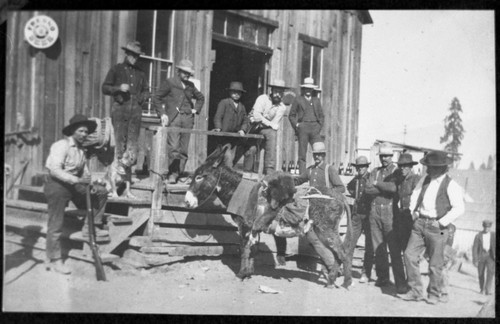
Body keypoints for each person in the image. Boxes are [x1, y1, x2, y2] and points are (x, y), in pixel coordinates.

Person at [44, 114, 109, 275]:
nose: (84, 134)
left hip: (74, 185)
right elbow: (55, 170)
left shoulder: (81, 150)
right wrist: (77, 180)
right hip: (57, 185)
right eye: (81, 131)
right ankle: (55, 260)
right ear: (73, 131)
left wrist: (91, 183)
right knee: (56, 224)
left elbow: (85, 172)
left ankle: (91, 226)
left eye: (86, 132)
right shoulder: (61, 145)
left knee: (100, 193)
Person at [400, 151, 465, 304]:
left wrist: (442, 222)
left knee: (435, 263)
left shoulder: (451, 185)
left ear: (442, 168)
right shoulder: (424, 180)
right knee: (409, 255)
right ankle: (415, 291)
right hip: (420, 223)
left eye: (433, 167)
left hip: (439, 227)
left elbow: (459, 208)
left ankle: (434, 294)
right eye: (428, 166)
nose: (429, 169)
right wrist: (413, 213)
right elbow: (415, 196)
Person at [364, 143, 407, 294]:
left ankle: (401, 283)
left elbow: (393, 188)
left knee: (394, 250)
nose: (384, 159)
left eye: (387, 156)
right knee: (379, 248)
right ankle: (383, 278)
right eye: (382, 156)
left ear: (392, 156)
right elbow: (367, 189)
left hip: (390, 212)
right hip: (374, 211)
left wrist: (377, 184)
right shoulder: (375, 171)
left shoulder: (396, 171)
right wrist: (382, 186)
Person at [153, 59, 205, 184]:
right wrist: (162, 114)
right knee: (174, 147)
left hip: (187, 119)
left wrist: (195, 110)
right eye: (184, 72)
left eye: (189, 73)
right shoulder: (170, 83)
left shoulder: (191, 86)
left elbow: (201, 98)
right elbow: (157, 97)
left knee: (183, 149)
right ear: (178, 71)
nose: (187, 75)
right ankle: (172, 173)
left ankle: (179, 173)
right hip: (174, 118)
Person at [102, 40, 150, 168]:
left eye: (137, 56)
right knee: (119, 140)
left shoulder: (141, 73)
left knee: (132, 141)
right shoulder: (117, 69)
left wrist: (141, 99)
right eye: (132, 55)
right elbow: (105, 88)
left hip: (135, 110)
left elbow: (146, 90)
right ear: (127, 54)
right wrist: (118, 88)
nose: (135, 58)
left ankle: (126, 173)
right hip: (120, 107)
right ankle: (117, 172)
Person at [244, 80, 287, 174]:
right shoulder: (262, 98)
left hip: (264, 128)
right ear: (271, 90)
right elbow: (256, 116)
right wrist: (268, 122)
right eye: (276, 92)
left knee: (272, 134)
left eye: (280, 93)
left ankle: (269, 169)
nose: (278, 95)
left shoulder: (282, 107)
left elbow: (274, 125)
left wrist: (266, 122)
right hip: (251, 126)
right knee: (252, 149)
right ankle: (247, 171)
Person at [346, 156, 374, 283]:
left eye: (362, 166)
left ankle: (365, 273)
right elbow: (349, 187)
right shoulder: (356, 180)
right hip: (356, 214)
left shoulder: (371, 178)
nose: (360, 169)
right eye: (358, 167)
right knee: (351, 242)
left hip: (369, 215)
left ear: (367, 167)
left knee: (369, 245)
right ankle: (347, 270)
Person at [288, 77, 325, 175]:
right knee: (302, 153)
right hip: (303, 128)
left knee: (319, 150)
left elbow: (321, 116)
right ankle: (302, 175)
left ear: (312, 89)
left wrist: (319, 127)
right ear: (303, 89)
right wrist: (297, 125)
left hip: (315, 128)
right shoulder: (298, 99)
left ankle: (320, 173)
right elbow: (291, 115)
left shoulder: (316, 100)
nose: (308, 90)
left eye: (310, 88)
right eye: (306, 88)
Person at [212, 81, 249, 167]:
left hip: (235, 136)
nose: (236, 94)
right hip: (224, 136)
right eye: (234, 92)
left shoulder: (242, 106)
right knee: (227, 155)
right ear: (230, 92)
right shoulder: (224, 103)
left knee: (232, 156)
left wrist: (242, 129)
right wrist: (218, 127)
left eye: (239, 92)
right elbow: (218, 116)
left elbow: (245, 120)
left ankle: (226, 172)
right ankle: (226, 173)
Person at [394, 153, 421, 252]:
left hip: (411, 217)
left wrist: (414, 215)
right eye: (400, 166)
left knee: (410, 248)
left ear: (410, 167)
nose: (402, 168)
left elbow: (419, 199)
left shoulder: (416, 179)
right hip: (401, 216)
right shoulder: (400, 180)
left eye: (405, 166)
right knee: (402, 244)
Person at [472, 220, 495, 296]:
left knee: (490, 273)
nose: (486, 229)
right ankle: (482, 289)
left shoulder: (494, 235)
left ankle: (488, 290)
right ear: (483, 227)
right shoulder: (478, 235)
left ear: (490, 227)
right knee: (481, 273)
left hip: (491, 256)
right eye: (485, 227)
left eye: (488, 227)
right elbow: (475, 248)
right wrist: (475, 259)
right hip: (481, 255)